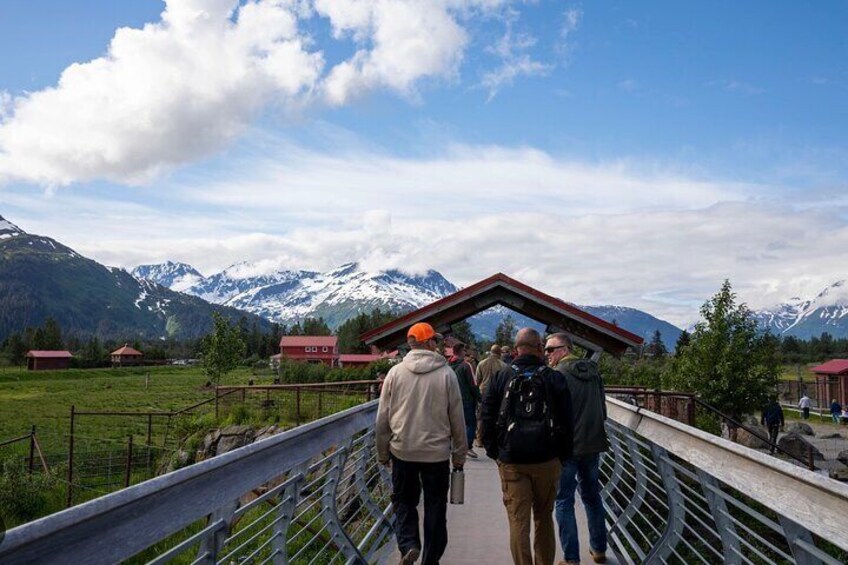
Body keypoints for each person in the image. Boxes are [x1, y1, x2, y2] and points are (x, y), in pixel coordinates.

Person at [376, 322, 468, 565]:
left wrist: (382, 453)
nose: (437, 344)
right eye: (435, 340)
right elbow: (457, 419)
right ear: (428, 343)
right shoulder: (447, 374)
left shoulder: (395, 373)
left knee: (404, 501)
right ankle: (430, 559)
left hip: (402, 451)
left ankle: (409, 544)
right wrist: (459, 456)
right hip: (436, 455)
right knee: (436, 507)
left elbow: (383, 417)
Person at [481, 328, 574, 565]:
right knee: (544, 518)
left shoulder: (501, 377)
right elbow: (567, 421)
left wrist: (496, 452)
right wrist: (561, 456)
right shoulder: (555, 378)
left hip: (512, 460)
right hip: (547, 460)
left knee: (518, 522)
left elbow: (487, 415)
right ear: (540, 348)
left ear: (515, 350)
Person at [545, 333, 608, 565]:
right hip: (593, 444)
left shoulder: (557, 375)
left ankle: (571, 559)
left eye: (551, 349)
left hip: (568, 447)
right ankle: (599, 549)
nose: (547, 354)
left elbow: (550, 413)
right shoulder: (593, 371)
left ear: (564, 349)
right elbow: (602, 407)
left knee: (563, 501)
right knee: (592, 497)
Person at [450, 342, 481, 458]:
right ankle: (467, 447)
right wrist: (479, 398)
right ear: (461, 351)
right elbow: (473, 384)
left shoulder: (448, 365)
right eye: (464, 351)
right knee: (470, 424)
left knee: (454, 424)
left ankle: (454, 446)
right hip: (466, 399)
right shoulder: (466, 366)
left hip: (452, 399)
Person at [474, 344, 507, 447]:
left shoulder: (481, 363)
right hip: (497, 393)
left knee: (481, 417)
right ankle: (493, 439)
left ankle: (479, 440)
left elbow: (477, 380)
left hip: (483, 392)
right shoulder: (503, 365)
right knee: (496, 416)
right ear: (499, 353)